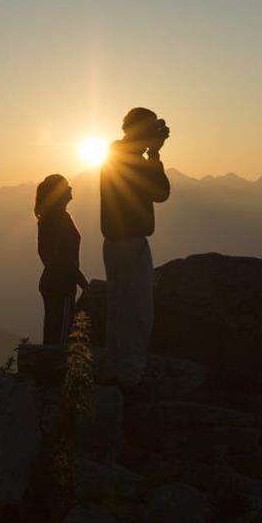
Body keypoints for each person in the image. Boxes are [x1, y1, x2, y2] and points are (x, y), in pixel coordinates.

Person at [98, 107, 170, 385]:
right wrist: (154, 153)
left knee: (118, 308)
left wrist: (150, 150)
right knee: (137, 311)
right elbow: (160, 193)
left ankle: (116, 369)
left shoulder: (114, 155)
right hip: (131, 242)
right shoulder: (132, 159)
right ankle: (129, 374)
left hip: (115, 243)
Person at [34, 174, 87, 345]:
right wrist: (82, 282)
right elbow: (61, 256)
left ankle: (45, 368)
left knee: (52, 331)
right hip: (62, 284)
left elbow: (47, 254)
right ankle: (55, 369)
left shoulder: (51, 217)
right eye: (67, 186)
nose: (71, 188)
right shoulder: (59, 218)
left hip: (53, 281)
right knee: (61, 338)